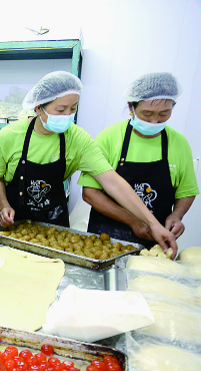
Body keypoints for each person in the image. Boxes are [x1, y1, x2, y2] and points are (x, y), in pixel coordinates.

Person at [0, 71, 178, 253]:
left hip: (54, 228)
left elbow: (113, 181)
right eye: (60, 110)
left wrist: (152, 223)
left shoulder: (77, 139)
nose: (67, 115)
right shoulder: (9, 136)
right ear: (39, 108)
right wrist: (4, 204)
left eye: (73, 109)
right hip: (13, 224)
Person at [80, 72, 198, 245]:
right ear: (131, 107)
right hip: (106, 239)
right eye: (147, 114)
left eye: (164, 114)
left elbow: (186, 191)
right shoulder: (110, 138)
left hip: (154, 240)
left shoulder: (179, 143)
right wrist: (134, 222)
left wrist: (176, 215)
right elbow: (90, 193)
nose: (155, 121)